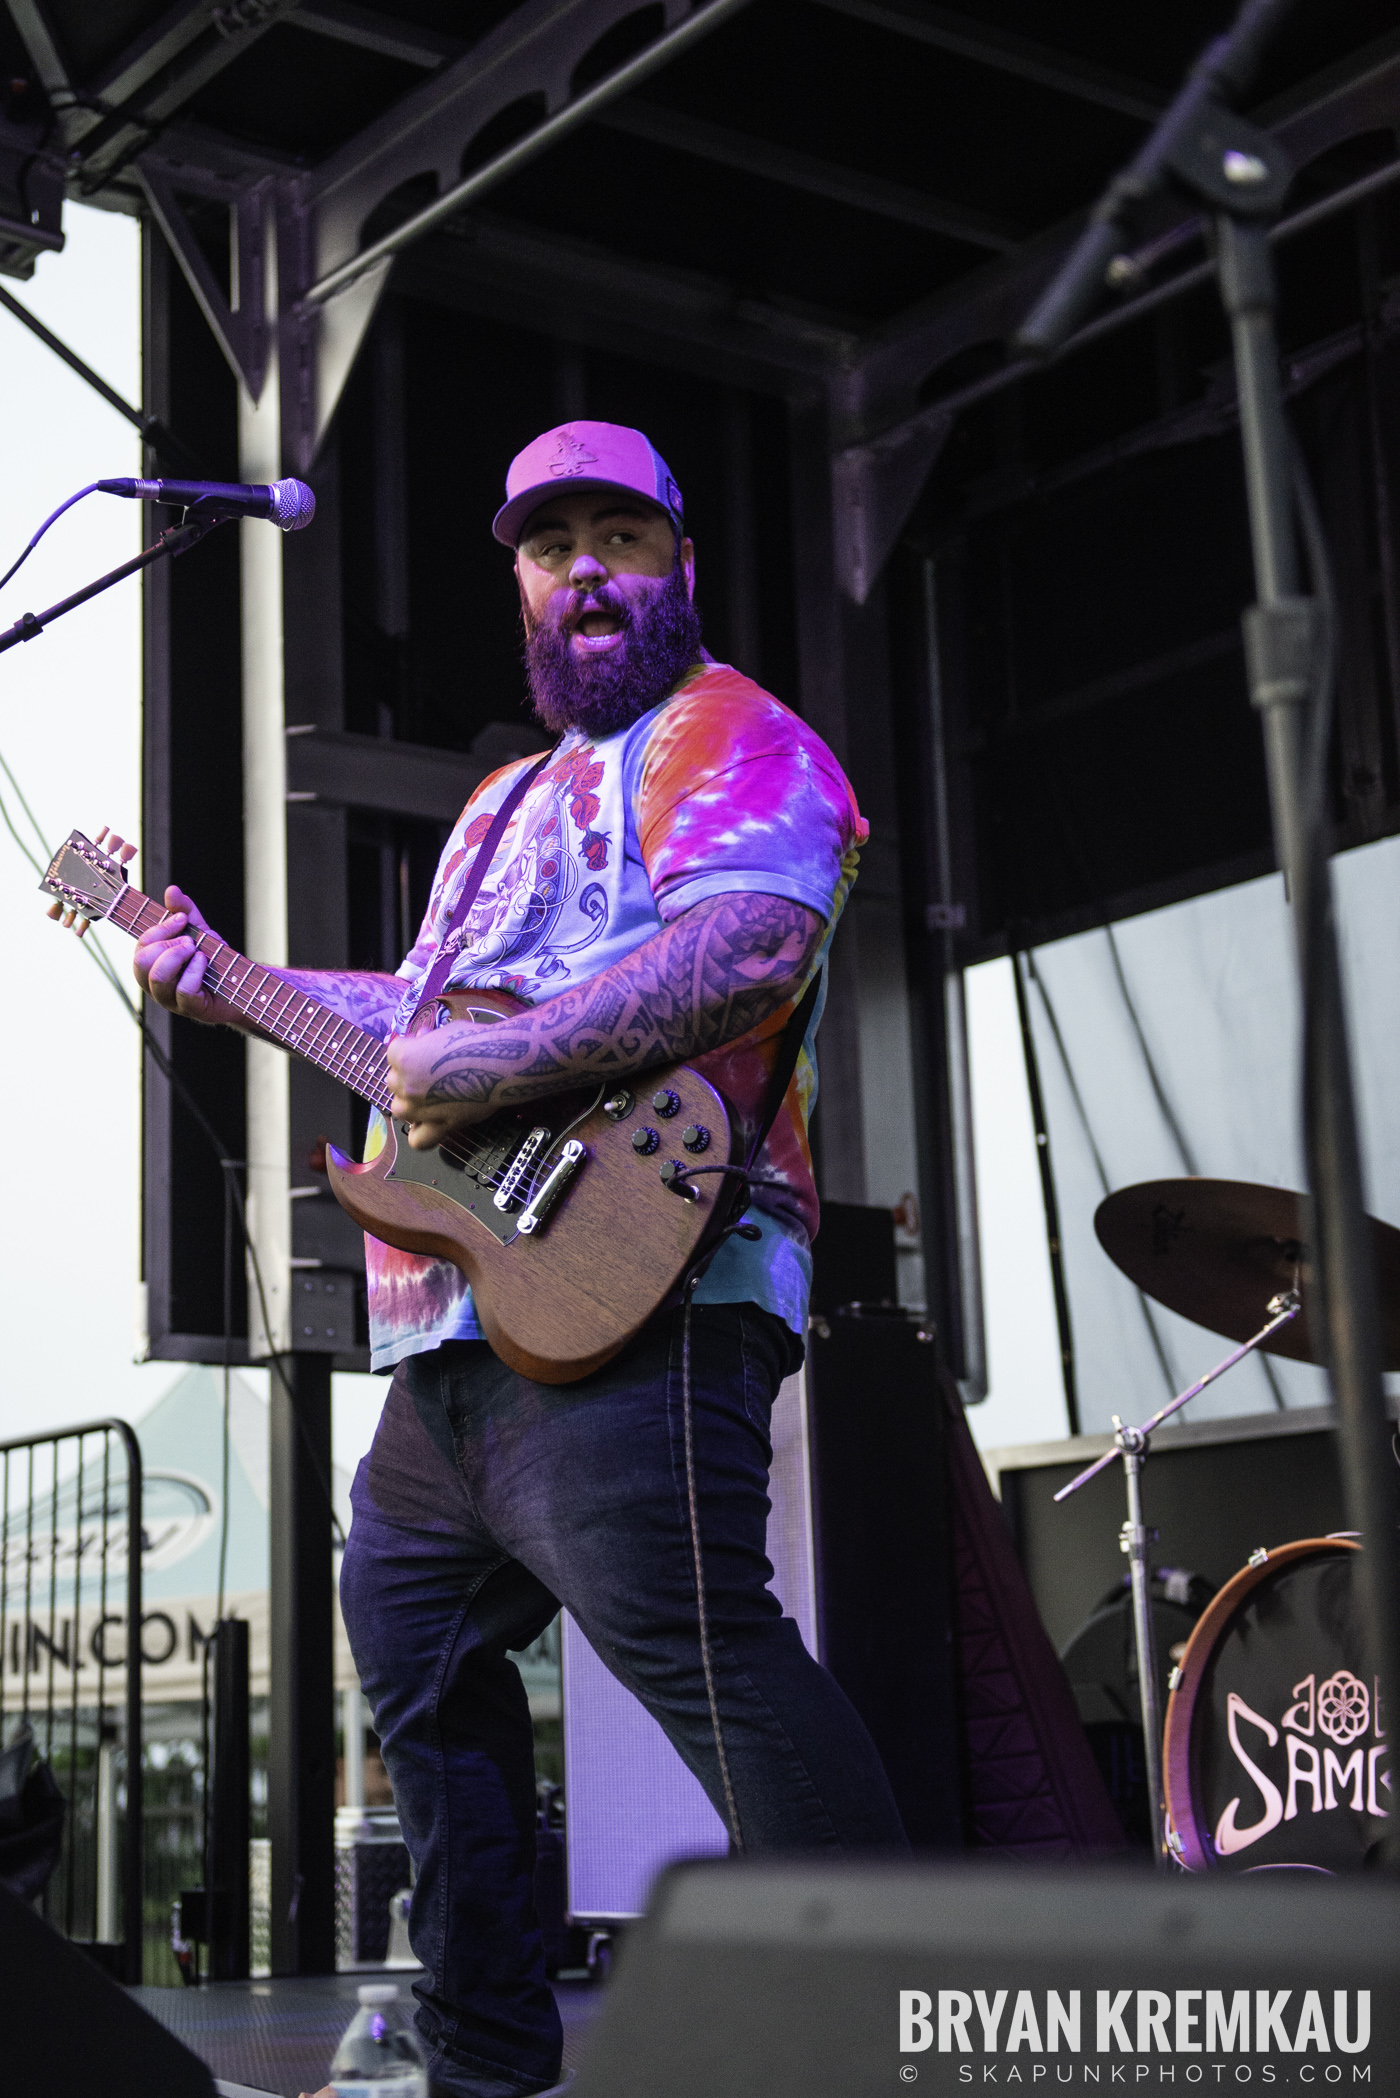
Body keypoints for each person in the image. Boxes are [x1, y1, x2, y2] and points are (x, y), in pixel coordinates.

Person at [136, 420, 907, 2098]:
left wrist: (500, 1067)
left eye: (615, 538)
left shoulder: (733, 729)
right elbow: (414, 1038)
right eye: (549, 550)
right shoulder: (496, 807)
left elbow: (757, 940)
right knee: (408, 1638)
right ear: (523, 590)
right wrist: (231, 976)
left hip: (656, 1275)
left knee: (708, 1655)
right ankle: (485, 2055)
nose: (583, 573)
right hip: (462, 1330)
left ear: (676, 561)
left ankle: (883, 2036)